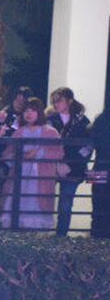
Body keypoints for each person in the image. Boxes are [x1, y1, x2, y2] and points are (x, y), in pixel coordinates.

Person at [0, 98, 64, 231]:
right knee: (17, 205)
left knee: (37, 205)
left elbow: (58, 153)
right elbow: (7, 154)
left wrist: (39, 153)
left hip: (41, 176)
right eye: (26, 111)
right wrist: (20, 156)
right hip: (19, 176)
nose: (29, 114)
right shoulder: (19, 132)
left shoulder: (50, 132)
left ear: (39, 113)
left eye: (33, 111)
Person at [47, 87, 91, 237]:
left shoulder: (82, 121)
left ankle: (61, 236)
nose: (55, 104)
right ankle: (42, 234)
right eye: (54, 101)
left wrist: (71, 164)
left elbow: (88, 147)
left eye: (59, 100)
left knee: (65, 204)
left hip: (73, 169)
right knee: (44, 199)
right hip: (51, 167)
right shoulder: (50, 120)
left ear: (69, 101)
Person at [91, 107, 110, 239]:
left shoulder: (99, 119)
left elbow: (94, 140)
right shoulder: (100, 119)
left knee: (97, 201)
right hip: (100, 165)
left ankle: (96, 232)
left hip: (98, 165)